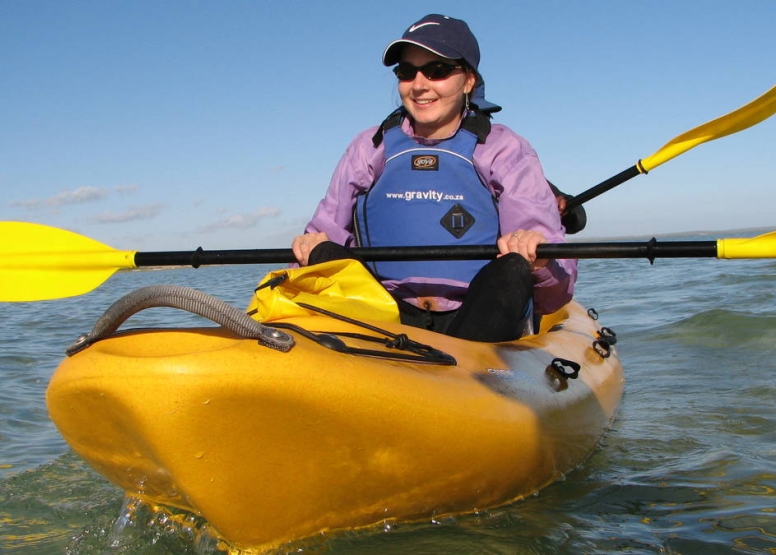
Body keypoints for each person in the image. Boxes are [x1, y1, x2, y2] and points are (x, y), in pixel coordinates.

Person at [291, 14, 578, 342]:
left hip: (478, 315)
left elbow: (555, 295)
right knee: (321, 250)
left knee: (513, 269)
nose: (419, 84)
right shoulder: (369, 147)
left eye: (437, 70)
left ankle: (465, 382)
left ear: (468, 80)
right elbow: (323, 233)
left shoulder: (503, 148)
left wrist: (539, 261)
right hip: (386, 315)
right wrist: (309, 247)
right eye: (406, 71)